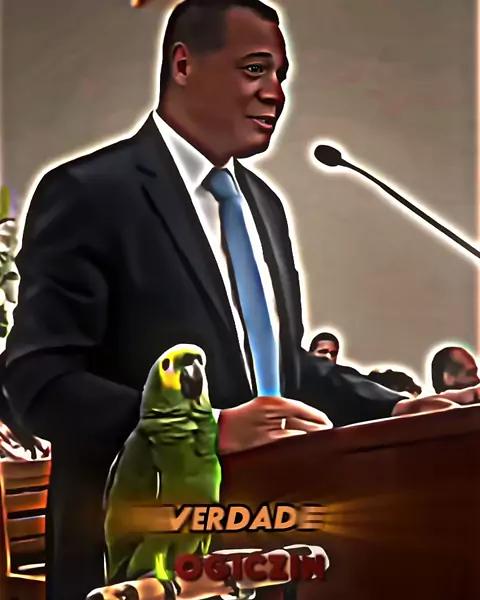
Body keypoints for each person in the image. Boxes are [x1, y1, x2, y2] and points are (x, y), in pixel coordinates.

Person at [2, 1, 467, 599]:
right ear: (183, 65)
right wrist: (204, 430)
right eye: (254, 69)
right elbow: (38, 381)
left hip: (273, 541)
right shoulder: (89, 193)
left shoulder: (263, 206)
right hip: (140, 555)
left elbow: (281, 371)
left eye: (281, 76)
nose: (275, 93)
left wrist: (396, 408)